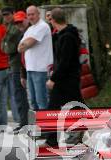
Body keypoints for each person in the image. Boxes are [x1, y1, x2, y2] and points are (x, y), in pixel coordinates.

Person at [44, 8, 83, 146]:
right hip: (65, 78)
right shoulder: (62, 35)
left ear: (53, 20)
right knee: (58, 107)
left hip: (68, 78)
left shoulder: (68, 37)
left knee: (70, 107)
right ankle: (52, 139)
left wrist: (53, 79)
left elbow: (64, 62)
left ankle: (73, 135)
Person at [18, 5, 53, 111]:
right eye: (28, 15)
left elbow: (28, 44)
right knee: (33, 101)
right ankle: (39, 125)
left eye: (32, 14)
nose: (30, 17)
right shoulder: (30, 29)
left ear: (38, 14)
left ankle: (46, 126)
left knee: (42, 101)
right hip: (30, 69)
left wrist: (25, 44)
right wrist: (24, 44)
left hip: (41, 69)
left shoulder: (43, 26)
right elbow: (19, 48)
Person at [1, 8, 29, 132]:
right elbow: (3, 47)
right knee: (19, 95)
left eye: (7, 14)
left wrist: (7, 44)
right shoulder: (9, 28)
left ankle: (25, 123)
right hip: (15, 65)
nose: (5, 17)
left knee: (21, 95)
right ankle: (23, 122)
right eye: (3, 15)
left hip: (19, 66)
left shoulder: (16, 31)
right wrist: (6, 44)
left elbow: (10, 49)